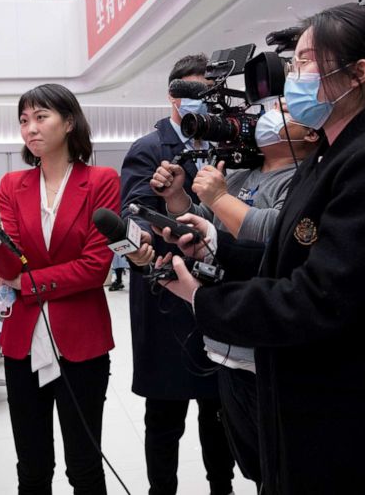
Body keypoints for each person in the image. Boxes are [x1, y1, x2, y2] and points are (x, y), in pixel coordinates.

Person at [157, 4, 365, 493]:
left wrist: (202, 298)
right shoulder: (330, 155)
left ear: (359, 73)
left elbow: (321, 295)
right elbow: (292, 252)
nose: (290, 78)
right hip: (320, 403)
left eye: (304, 63)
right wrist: (213, 247)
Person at [150, 105, 321, 486]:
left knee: (283, 468)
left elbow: (280, 235)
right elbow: (209, 225)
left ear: (311, 134)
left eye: (288, 110)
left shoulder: (307, 176)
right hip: (226, 341)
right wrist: (178, 199)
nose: (271, 116)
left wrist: (219, 198)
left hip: (270, 347)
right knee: (254, 464)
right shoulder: (244, 172)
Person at [0, 83, 118, 495]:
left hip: (83, 343)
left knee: (84, 466)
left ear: (68, 121)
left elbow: (96, 267)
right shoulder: (11, 185)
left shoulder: (101, 180)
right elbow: (7, 266)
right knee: (32, 467)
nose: (30, 129)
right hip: (22, 342)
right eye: (23, 120)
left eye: (41, 117)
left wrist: (27, 281)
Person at [119, 54, 235, 495]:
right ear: (172, 96)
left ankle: (220, 486)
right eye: (190, 94)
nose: (199, 103)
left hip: (214, 291)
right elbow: (133, 217)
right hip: (166, 299)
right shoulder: (150, 149)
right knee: (165, 418)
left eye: (207, 95)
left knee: (217, 413)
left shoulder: (223, 145)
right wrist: (171, 209)